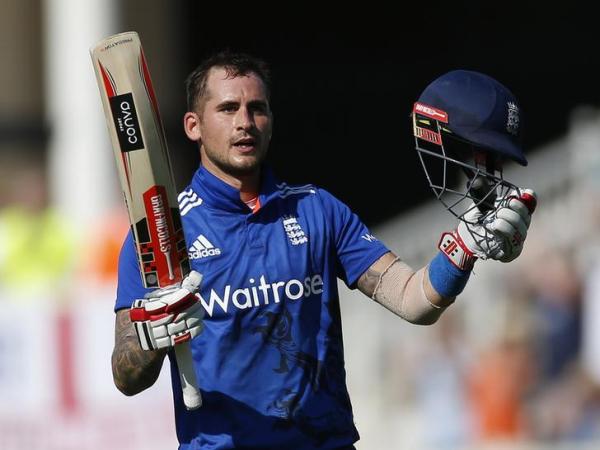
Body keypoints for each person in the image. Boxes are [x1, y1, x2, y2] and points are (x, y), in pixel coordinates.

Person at [112, 54, 536, 449]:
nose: (246, 122)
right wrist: (155, 334)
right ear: (193, 125)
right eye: (228, 109)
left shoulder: (317, 209)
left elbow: (412, 300)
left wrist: (463, 250)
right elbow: (126, 375)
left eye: (257, 108)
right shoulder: (161, 236)